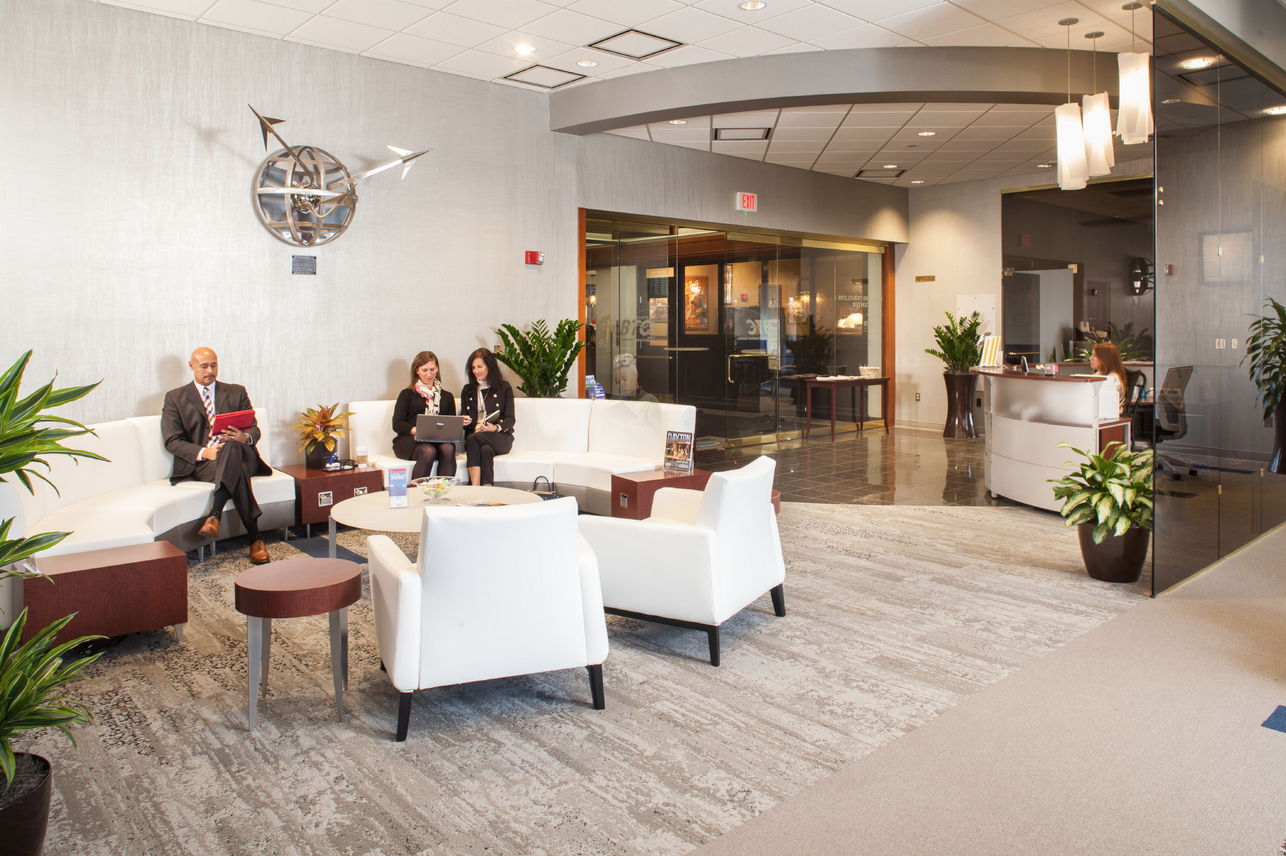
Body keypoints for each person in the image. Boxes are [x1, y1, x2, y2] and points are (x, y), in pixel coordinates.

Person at [162, 347, 272, 564]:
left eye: (214, 365)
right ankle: (255, 538)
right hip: (207, 463)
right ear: (191, 365)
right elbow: (172, 441)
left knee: (231, 447)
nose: (210, 371)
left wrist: (244, 437)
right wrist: (205, 452)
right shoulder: (175, 397)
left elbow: (254, 429)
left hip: (243, 454)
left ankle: (215, 514)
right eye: (204, 366)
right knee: (237, 468)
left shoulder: (236, 392)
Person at [391, 351, 458, 481]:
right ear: (417, 370)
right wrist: (416, 430)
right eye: (424, 370)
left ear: (437, 369)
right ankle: (417, 491)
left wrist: (459, 424)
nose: (429, 374)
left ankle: (442, 489)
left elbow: (450, 425)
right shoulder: (407, 394)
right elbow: (397, 423)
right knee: (428, 451)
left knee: (449, 449)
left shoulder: (447, 397)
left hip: (438, 441)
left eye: (432, 369)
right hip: (410, 441)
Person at [459, 348, 515, 486]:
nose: (476, 371)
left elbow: (510, 419)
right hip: (476, 437)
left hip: (500, 437)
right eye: (473, 367)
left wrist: (495, 427)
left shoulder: (504, 387)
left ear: (489, 366)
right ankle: (487, 488)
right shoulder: (468, 390)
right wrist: (462, 421)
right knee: (485, 450)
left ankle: (475, 486)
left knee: (472, 439)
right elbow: (463, 420)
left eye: (480, 366)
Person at [1090, 342, 1130, 415]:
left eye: (1095, 355)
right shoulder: (1098, 374)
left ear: (1105, 358)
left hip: (1108, 415)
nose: (1090, 358)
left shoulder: (1113, 378)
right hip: (1098, 413)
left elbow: (1102, 402)